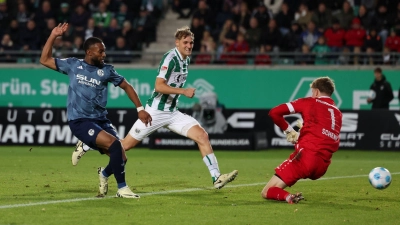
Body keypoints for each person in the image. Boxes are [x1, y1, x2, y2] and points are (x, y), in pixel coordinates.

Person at [73, 26, 239, 190]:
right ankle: (88, 146)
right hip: (155, 112)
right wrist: (183, 91)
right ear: (177, 43)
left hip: (172, 113)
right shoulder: (170, 58)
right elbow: (159, 86)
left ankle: (216, 177)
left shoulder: (186, 60)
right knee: (123, 147)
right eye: (186, 42)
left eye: (191, 42)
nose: (189, 45)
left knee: (202, 135)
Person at [39, 23, 152, 199]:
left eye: (104, 51)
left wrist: (140, 109)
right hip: (80, 120)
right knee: (114, 145)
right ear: (89, 52)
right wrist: (53, 36)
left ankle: (104, 174)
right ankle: (122, 189)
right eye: (101, 51)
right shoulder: (73, 65)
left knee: (121, 157)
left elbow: (127, 86)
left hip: (101, 120)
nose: (104, 54)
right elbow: (44, 59)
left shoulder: (107, 70)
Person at [261, 77, 342, 204]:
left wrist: (289, 130)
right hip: (322, 166)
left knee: (267, 191)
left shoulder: (310, 102)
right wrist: (304, 133)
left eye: (312, 92)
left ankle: (288, 197)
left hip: (306, 159)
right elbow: (324, 136)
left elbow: (274, 113)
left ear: (316, 92)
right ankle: (290, 197)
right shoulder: (337, 113)